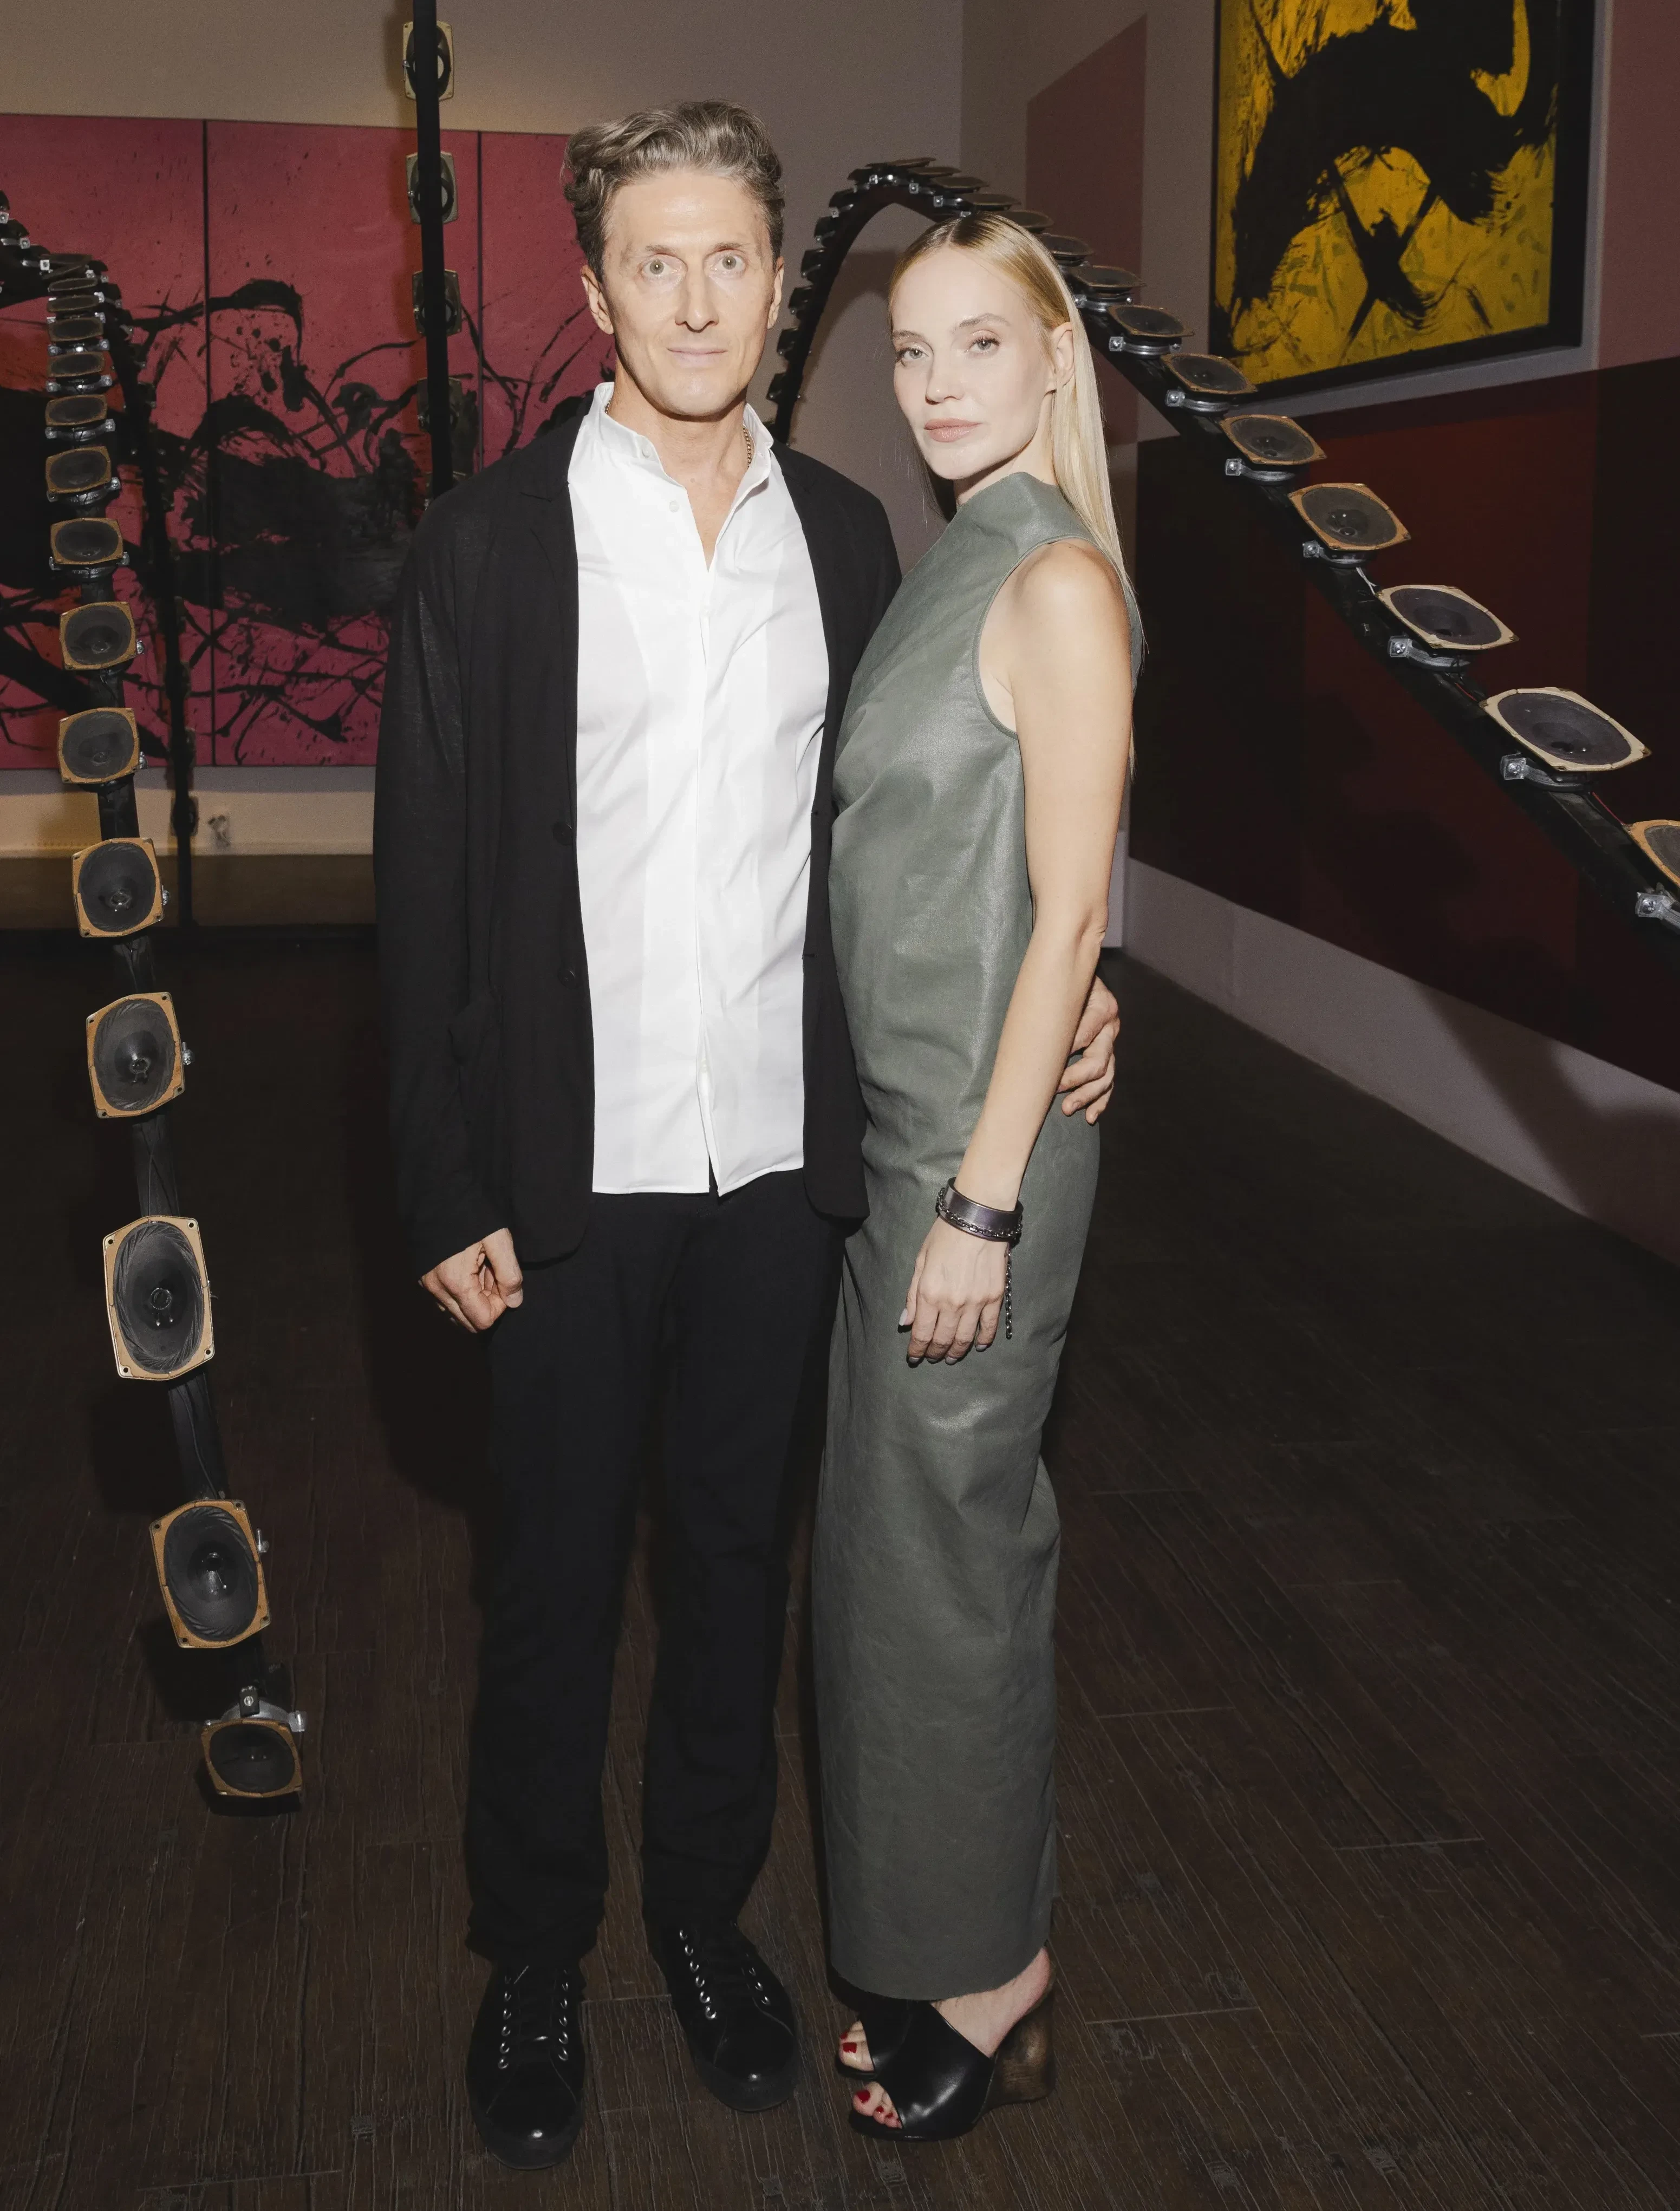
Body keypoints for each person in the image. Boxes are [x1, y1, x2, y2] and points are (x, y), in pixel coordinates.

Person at [375, 107, 1122, 2170]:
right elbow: (422, 887)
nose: (696, 302)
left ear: (779, 280)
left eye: (731, 261)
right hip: (565, 1172)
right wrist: (437, 1180)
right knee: (546, 1586)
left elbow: (942, 822)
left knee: (731, 1574)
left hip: (788, 1175)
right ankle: (535, 1953)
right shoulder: (490, 545)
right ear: (594, 287)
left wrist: (1077, 986)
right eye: (656, 262)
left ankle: (705, 1922)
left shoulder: (854, 541)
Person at [813, 211, 1141, 2143]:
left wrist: (985, 1200)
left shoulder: (1059, 579)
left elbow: (1072, 907)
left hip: (972, 1164)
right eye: (911, 350)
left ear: (1052, 359)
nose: (937, 383)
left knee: (949, 1566)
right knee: (893, 1558)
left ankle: (992, 1967)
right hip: (909, 1141)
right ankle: (933, 1930)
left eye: (978, 346)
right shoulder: (955, 557)